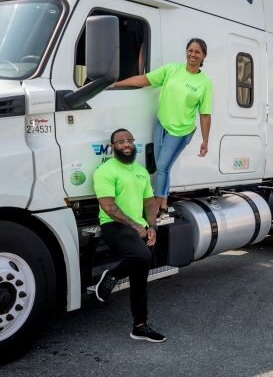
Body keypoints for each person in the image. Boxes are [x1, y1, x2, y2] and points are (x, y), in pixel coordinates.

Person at [111, 38, 213, 216]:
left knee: (163, 167)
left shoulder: (204, 83)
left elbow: (205, 114)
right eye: (190, 50)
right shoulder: (172, 70)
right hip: (161, 124)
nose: (192, 54)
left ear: (203, 55)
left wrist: (205, 140)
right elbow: (145, 79)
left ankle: (156, 207)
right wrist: (117, 84)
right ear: (186, 51)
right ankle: (164, 203)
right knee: (161, 167)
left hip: (180, 131)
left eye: (197, 52)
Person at [93, 128, 166, 343]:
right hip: (114, 226)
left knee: (140, 279)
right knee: (142, 256)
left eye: (129, 140)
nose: (126, 144)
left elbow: (149, 202)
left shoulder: (141, 171)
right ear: (113, 146)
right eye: (120, 141)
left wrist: (152, 226)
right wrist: (135, 226)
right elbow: (108, 206)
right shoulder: (105, 170)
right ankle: (112, 275)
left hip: (139, 227)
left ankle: (140, 326)